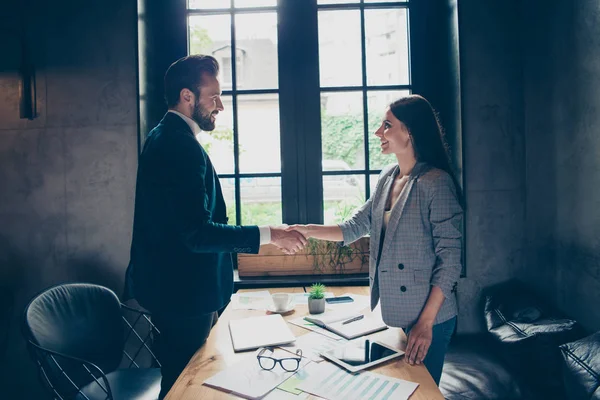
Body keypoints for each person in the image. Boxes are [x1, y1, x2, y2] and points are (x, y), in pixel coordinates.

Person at [123, 55, 307, 398]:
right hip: (184, 295)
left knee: (185, 382)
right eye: (214, 96)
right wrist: (271, 236)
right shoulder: (179, 146)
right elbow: (197, 233)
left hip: (176, 291)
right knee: (183, 387)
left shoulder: (164, 136)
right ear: (187, 96)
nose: (220, 105)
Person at [288, 95, 462, 385]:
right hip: (396, 312)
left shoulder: (436, 183)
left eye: (386, 125)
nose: (378, 132)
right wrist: (306, 229)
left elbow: (450, 260)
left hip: (431, 318)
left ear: (410, 131)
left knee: (422, 392)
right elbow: (354, 226)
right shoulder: (388, 177)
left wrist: (426, 321)